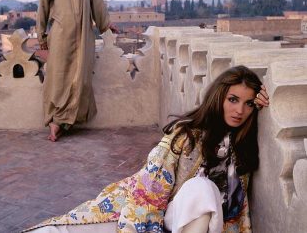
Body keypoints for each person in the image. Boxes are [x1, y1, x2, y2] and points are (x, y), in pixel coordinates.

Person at [23, 65, 270, 233]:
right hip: (145, 216)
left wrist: (265, 108)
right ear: (219, 98)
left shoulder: (241, 152)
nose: (240, 111)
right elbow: (148, 190)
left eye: (249, 104)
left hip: (187, 222)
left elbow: (234, 214)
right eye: (233, 100)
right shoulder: (186, 135)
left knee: (203, 189)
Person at [37, 0, 118, 141]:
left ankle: (65, 123)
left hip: (83, 36)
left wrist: (106, 23)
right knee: (59, 78)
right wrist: (41, 36)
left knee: (80, 78)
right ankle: (55, 121)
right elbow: (43, 6)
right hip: (60, 37)